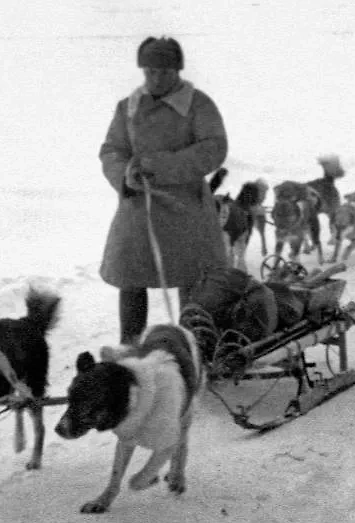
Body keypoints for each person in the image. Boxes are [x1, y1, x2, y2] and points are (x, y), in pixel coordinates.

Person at [99, 36, 228, 344]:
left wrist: (159, 166)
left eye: (164, 72)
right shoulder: (128, 107)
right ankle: (130, 349)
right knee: (131, 279)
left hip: (185, 209)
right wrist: (124, 175)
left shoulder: (198, 105)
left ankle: (193, 348)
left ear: (178, 71)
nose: (156, 79)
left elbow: (213, 148)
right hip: (138, 208)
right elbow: (112, 149)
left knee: (191, 279)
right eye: (150, 72)